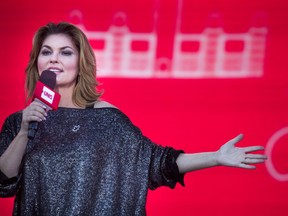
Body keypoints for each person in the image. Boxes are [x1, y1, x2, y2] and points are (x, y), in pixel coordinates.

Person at [0, 22, 267, 216]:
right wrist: (24, 132)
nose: (54, 59)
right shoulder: (20, 121)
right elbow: (4, 183)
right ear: (37, 61)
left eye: (65, 52)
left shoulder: (107, 119)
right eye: (46, 52)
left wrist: (216, 157)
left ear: (81, 62)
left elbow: (156, 163)